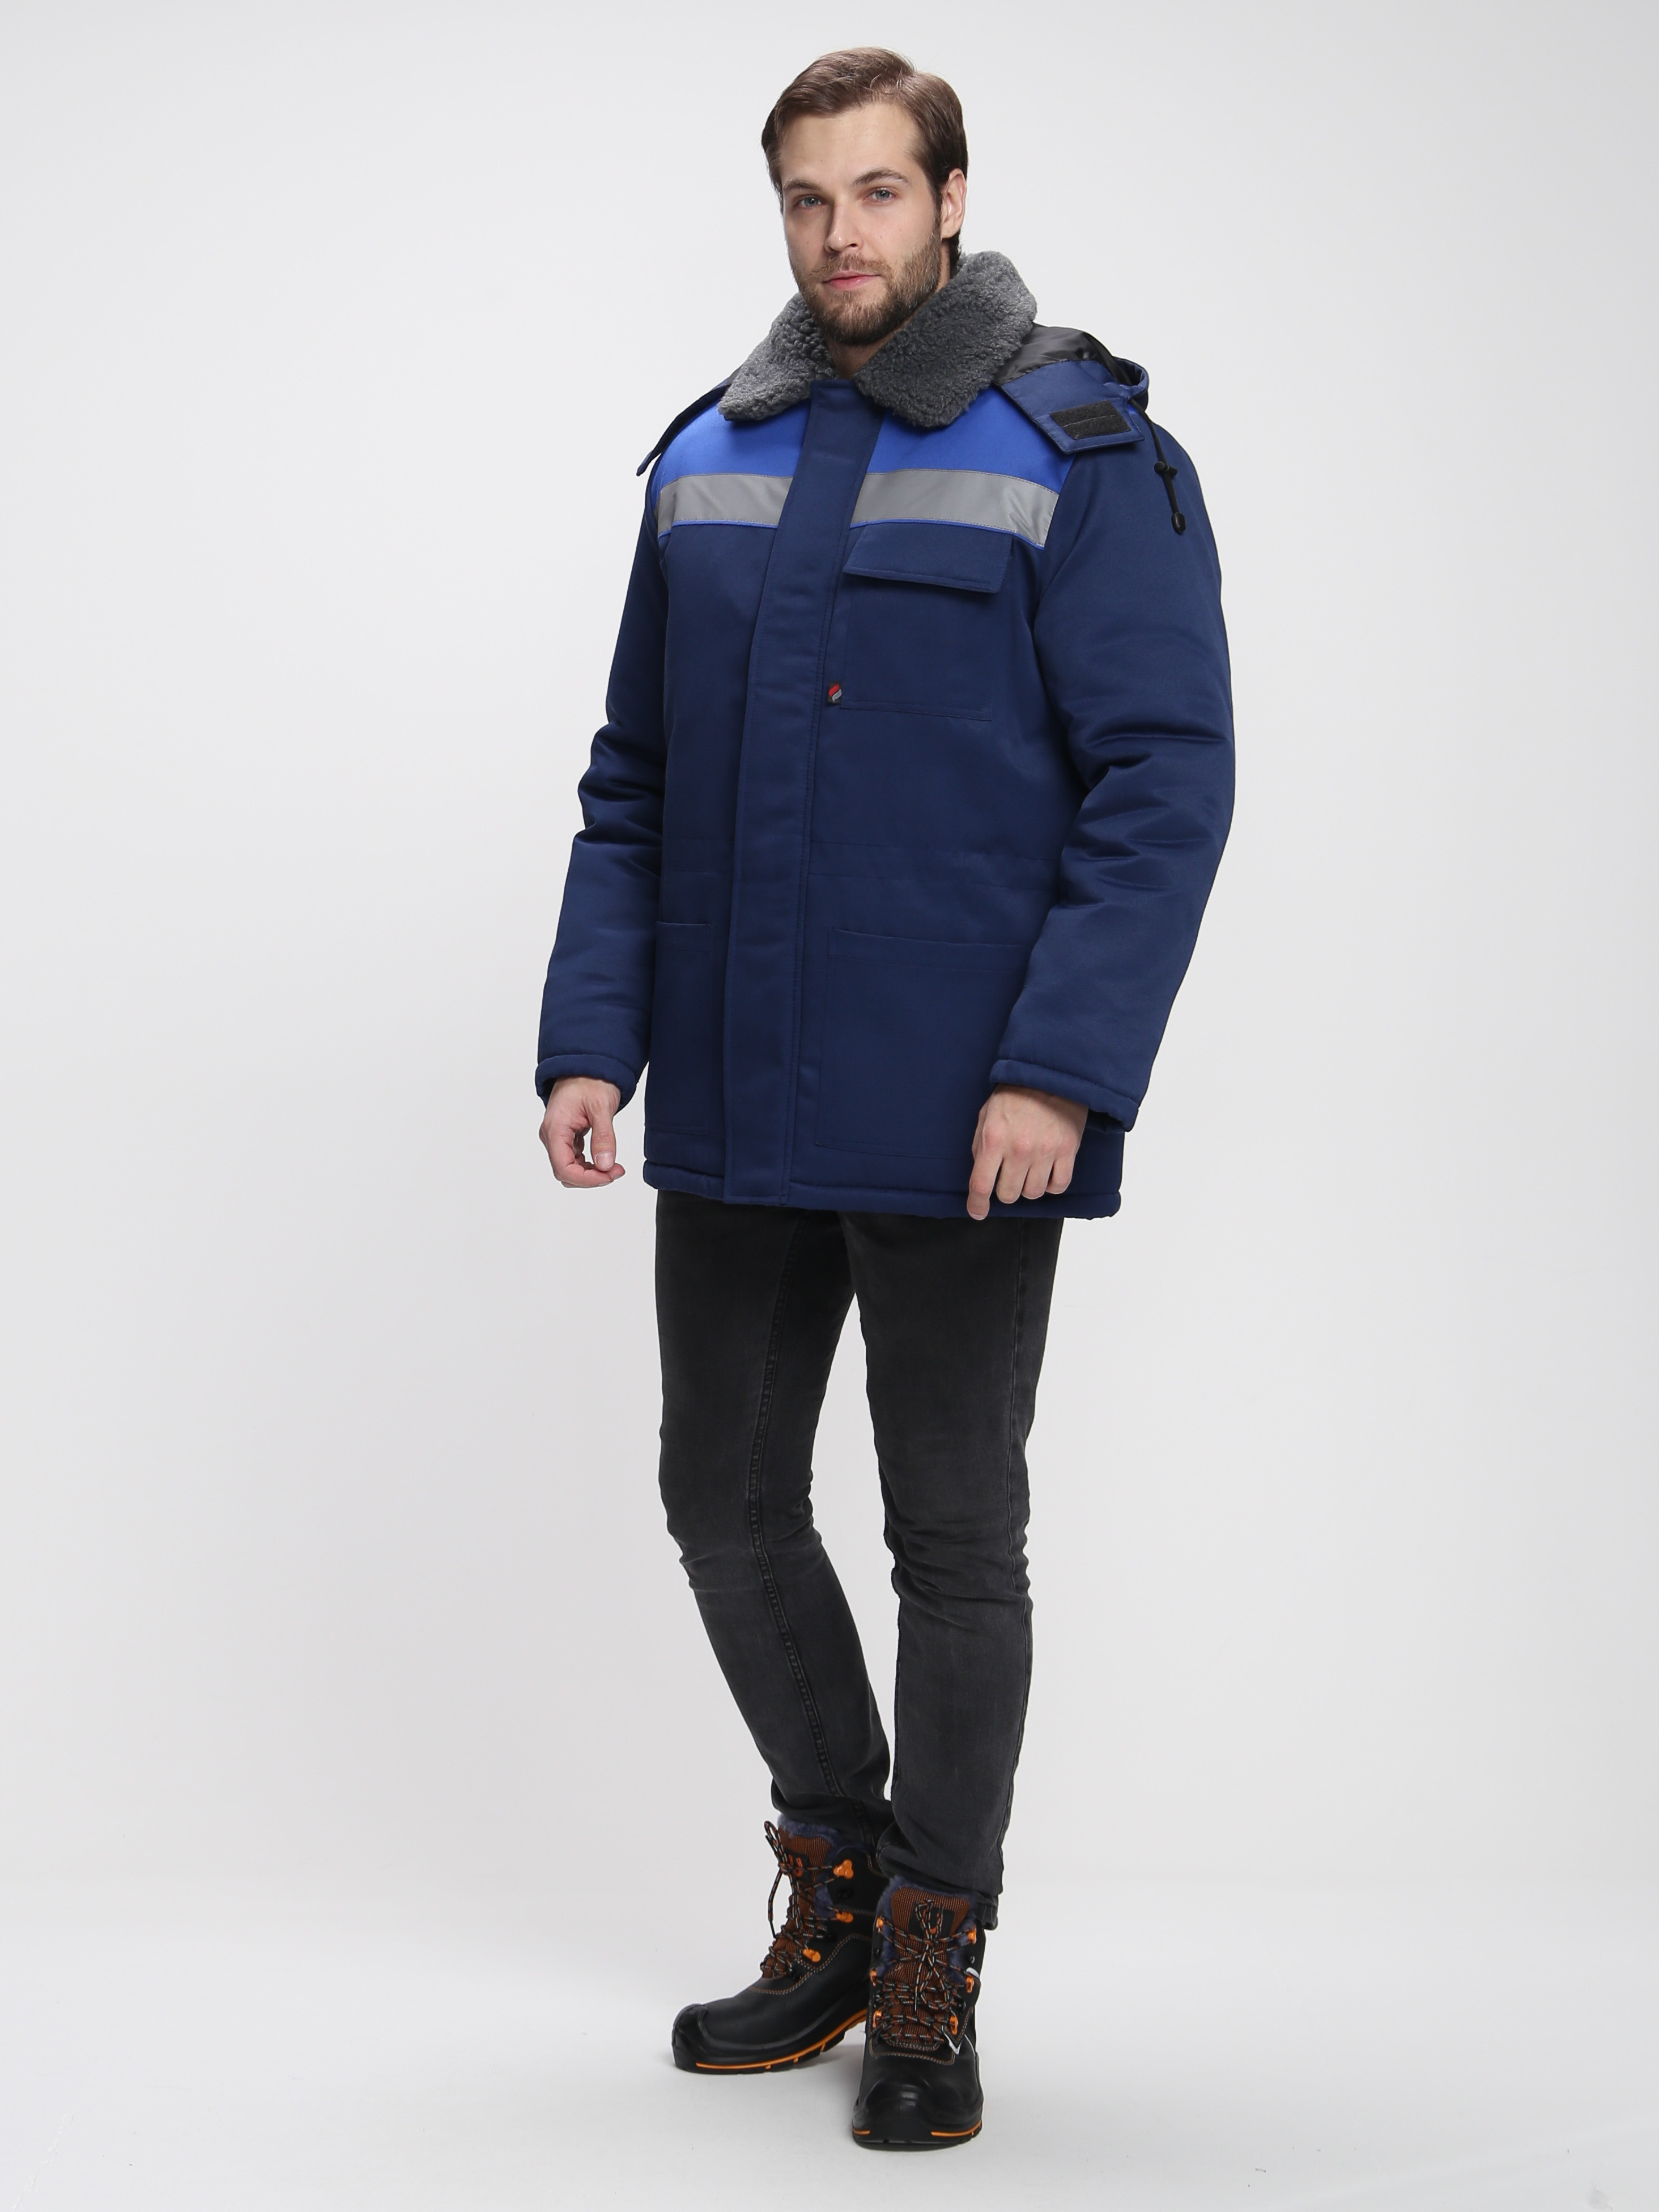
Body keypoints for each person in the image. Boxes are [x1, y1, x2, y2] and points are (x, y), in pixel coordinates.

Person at [535, 47, 1233, 2150]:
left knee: (953, 1536)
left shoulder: (1081, 448)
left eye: (877, 192)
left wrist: (1061, 1073)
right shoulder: (709, 457)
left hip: (965, 1116)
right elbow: (635, 782)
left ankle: (937, 1951)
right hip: (737, 1096)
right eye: (806, 199)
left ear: (950, 198)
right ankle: (836, 1881)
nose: (840, 234)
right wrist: (591, 1035)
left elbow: (1162, 783)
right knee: (722, 1500)